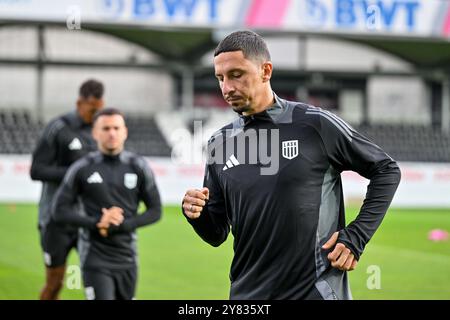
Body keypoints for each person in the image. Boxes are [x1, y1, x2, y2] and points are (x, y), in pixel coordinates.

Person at [181, 30, 401, 300]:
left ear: (265, 71)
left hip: (315, 293)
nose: (226, 88)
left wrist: (356, 236)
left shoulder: (314, 124)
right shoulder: (219, 143)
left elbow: (386, 169)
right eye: (220, 78)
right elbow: (216, 233)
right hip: (247, 296)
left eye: (236, 75)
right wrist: (196, 213)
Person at [52, 108, 162, 300]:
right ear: (95, 132)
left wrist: (124, 225)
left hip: (127, 258)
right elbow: (59, 211)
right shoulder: (82, 168)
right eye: (106, 128)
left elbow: (155, 210)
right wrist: (97, 223)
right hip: (95, 257)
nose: (112, 133)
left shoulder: (138, 166)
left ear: (124, 132)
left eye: (116, 128)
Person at [30, 79, 104, 300]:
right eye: (92, 110)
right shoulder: (58, 128)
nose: (95, 115)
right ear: (79, 103)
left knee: (98, 287)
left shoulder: (100, 130)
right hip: (56, 221)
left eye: (99, 110)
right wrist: (75, 173)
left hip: (89, 220)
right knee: (54, 285)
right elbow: (36, 170)